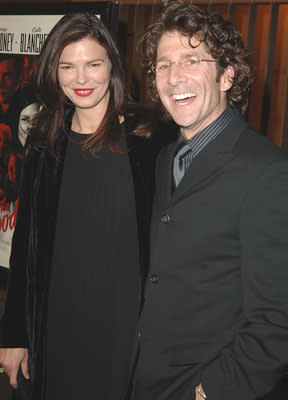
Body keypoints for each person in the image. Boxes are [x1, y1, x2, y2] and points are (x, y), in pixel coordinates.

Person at [133, 1, 288, 400]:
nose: (173, 77)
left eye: (191, 60)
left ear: (226, 76)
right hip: (146, 374)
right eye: (163, 65)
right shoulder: (167, 156)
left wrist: (211, 391)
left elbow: (277, 319)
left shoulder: (267, 170)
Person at [0, 12, 156, 400]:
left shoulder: (150, 140)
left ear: (113, 67)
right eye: (67, 66)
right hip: (57, 322)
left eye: (93, 64)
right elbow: (25, 246)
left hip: (127, 326)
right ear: (53, 70)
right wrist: (15, 333)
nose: (81, 79)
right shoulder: (44, 141)